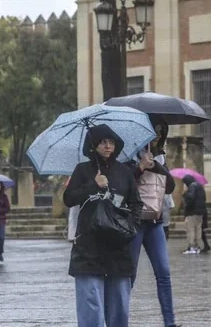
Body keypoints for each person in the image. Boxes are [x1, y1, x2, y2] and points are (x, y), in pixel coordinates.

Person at [64, 124, 143, 327]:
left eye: (111, 142)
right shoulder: (82, 170)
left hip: (118, 246)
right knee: (91, 306)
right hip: (88, 247)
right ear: (93, 145)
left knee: (119, 308)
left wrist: (131, 226)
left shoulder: (125, 172)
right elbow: (69, 198)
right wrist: (93, 185)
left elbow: (135, 203)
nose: (108, 146)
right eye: (103, 142)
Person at [125, 116, 180, 327]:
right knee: (130, 275)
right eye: (153, 130)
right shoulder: (128, 155)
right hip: (135, 221)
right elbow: (124, 183)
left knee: (164, 273)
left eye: (160, 130)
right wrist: (140, 167)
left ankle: (169, 322)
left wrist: (156, 166)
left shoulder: (161, 157)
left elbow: (170, 187)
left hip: (155, 221)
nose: (157, 134)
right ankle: (120, 320)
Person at [182, 174, 206, 254]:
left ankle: (191, 247)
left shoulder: (192, 187)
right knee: (198, 229)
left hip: (192, 212)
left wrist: (185, 194)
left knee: (190, 229)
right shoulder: (200, 186)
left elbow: (190, 198)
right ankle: (197, 247)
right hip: (200, 212)